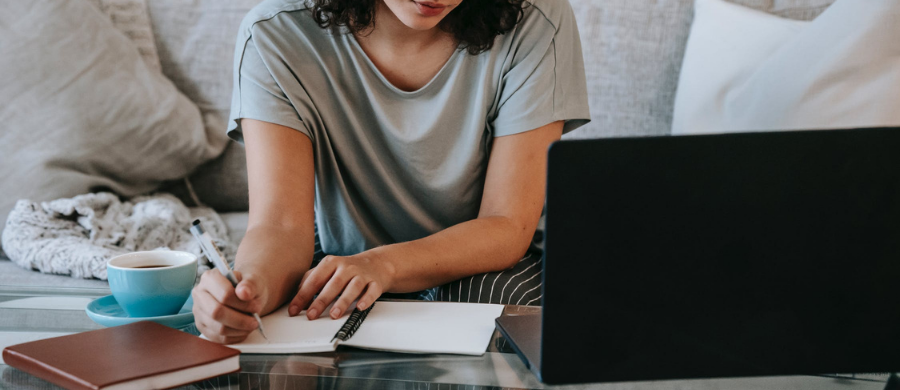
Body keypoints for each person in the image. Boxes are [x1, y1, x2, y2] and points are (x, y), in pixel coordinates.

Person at [192, 0, 590, 344]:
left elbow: (507, 224)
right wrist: (249, 290)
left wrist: (384, 265)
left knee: (485, 316)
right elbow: (280, 226)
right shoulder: (275, 34)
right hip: (342, 258)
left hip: (482, 263)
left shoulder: (536, 19)